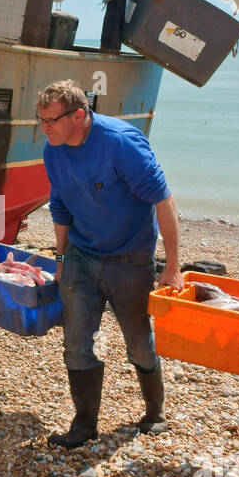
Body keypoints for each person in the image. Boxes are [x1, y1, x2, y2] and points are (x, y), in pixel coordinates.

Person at [38, 80, 183, 448]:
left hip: (130, 259)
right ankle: (84, 425)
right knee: (76, 343)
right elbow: (61, 205)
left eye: (51, 120)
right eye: (40, 121)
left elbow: (163, 201)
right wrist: (60, 256)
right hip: (82, 256)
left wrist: (173, 266)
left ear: (79, 116)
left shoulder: (120, 142)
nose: (46, 128)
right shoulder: (53, 149)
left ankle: (155, 411)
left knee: (137, 342)